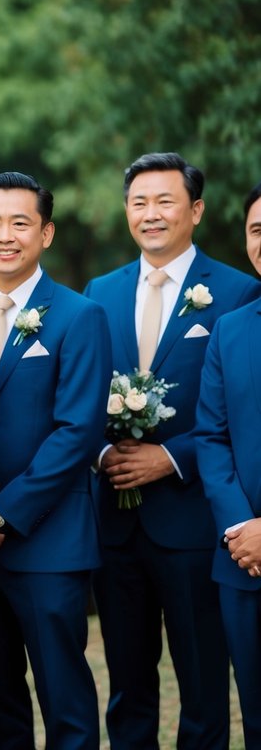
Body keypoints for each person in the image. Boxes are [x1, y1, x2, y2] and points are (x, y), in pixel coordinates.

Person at [84, 152, 260, 749]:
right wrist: (106, 457)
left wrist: (170, 458)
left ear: (197, 210)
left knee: (204, 686)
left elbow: (237, 415)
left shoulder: (238, 291)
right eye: (139, 202)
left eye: (165, 201)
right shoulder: (98, 293)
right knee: (128, 690)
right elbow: (81, 394)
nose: (151, 214)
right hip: (114, 522)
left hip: (194, 520)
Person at [0, 172, 111, 749]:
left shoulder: (79, 315)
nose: (6, 235)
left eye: (20, 223)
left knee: (64, 696)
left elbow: (77, 433)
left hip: (49, 540)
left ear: (45, 233)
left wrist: (2, 515)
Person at [195, 182, 261, 748]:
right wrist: (243, 527)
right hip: (244, 563)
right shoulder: (231, 329)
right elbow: (211, 439)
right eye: (258, 230)